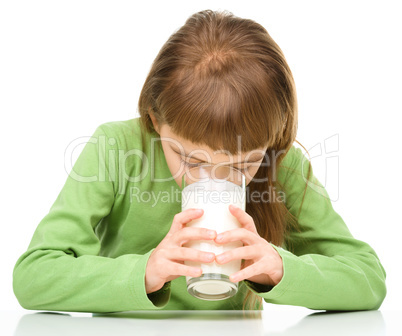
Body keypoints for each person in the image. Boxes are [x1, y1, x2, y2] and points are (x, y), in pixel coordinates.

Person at [12, 9, 386, 313]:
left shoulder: (281, 166)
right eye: (191, 160)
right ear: (156, 121)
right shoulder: (117, 149)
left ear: (270, 143)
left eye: (241, 167)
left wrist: (281, 267)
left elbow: (368, 278)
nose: (214, 181)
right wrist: (144, 272)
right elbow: (34, 277)